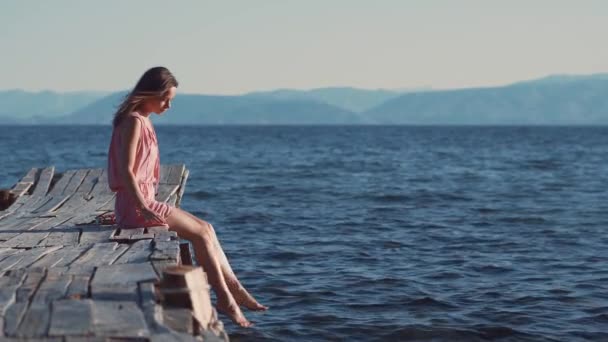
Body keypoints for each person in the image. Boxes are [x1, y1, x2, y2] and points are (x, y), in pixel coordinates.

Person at [107, 66, 266, 328]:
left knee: (207, 228)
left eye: (171, 100)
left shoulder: (142, 119)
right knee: (201, 234)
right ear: (148, 93)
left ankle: (234, 288)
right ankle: (226, 298)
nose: (168, 105)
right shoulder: (134, 121)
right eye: (164, 98)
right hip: (137, 208)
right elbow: (126, 171)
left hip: (142, 203)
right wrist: (142, 206)